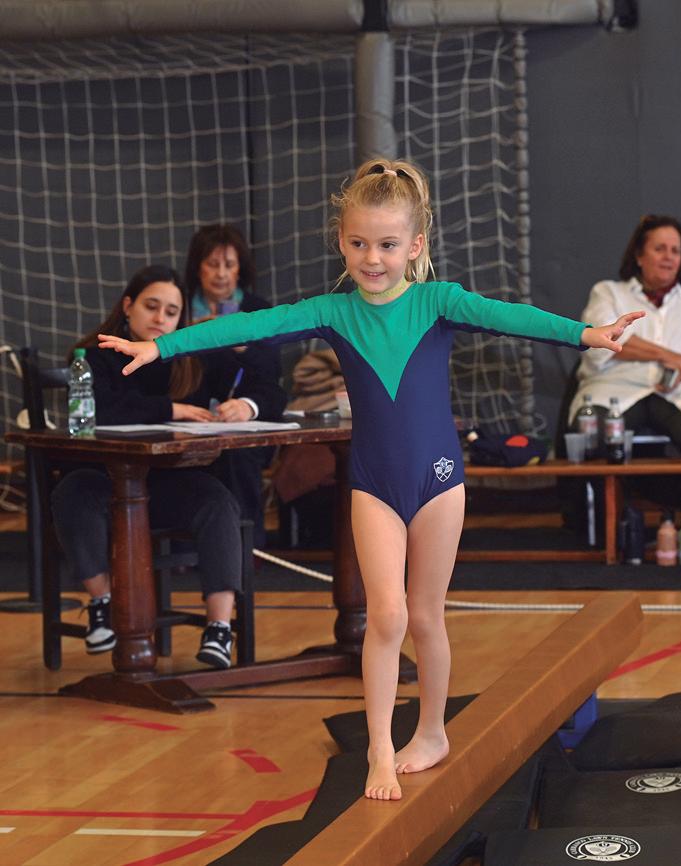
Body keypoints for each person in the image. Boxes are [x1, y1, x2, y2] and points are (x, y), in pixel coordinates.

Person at [98, 158, 642, 801]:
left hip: (439, 481)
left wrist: (588, 334)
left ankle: (433, 733)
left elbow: (512, 317)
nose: (372, 258)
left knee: (427, 617)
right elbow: (250, 325)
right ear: (341, 242)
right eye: (358, 244)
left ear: (414, 245)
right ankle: (381, 749)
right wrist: (160, 346)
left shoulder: (439, 302)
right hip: (375, 485)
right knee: (386, 614)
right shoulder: (334, 312)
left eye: (386, 244)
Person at [51, 264, 283, 669]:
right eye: (151, 306)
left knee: (218, 502)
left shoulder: (191, 356)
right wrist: (171, 409)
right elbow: (98, 410)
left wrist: (248, 405)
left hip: (170, 484)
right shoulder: (92, 355)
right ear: (128, 306)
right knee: (71, 493)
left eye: (172, 312)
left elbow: (271, 389)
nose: (160, 318)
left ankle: (219, 628)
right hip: (104, 482)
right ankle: (102, 604)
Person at [568, 214, 681, 565]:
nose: (668, 257)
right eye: (659, 249)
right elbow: (602, 338)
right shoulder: (609, 292)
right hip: (617, 388)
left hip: (680, 391)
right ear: (639, 255)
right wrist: (672, 356)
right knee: (596, 430)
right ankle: (606, 530)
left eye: (675, 251)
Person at [183, 224, 287, 541]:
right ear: (197, 267)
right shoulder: (177, 308)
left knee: (236, 453)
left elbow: (272, 374)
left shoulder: (257, 309)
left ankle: (246, 550)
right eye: (212, 264)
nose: (221, 274)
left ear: (240, 268)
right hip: (187, 421)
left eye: (229, 264)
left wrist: (240, 345)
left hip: (242, 423)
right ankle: (181, 550)